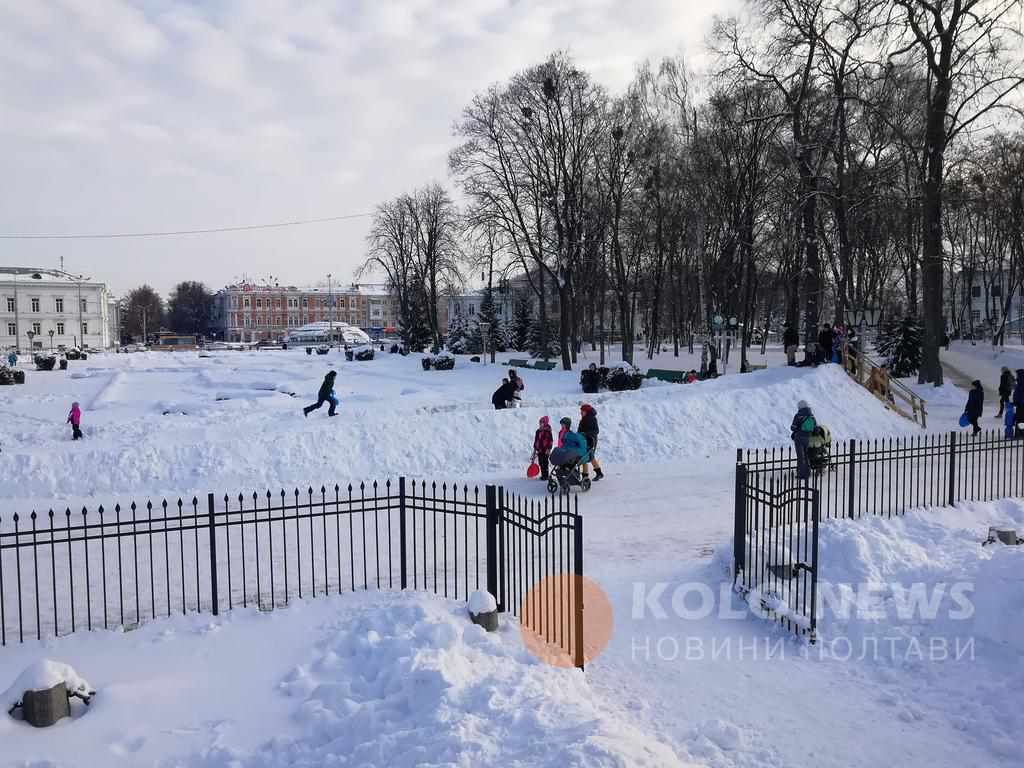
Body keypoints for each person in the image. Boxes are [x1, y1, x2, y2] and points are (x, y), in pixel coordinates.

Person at [790, 400, 816, 480]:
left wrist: (796, 428)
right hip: (808, 437)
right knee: (806, 455)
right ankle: (807, 473)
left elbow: (793, 427)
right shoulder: (811, 416)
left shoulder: (798, 415)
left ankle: (801, 474)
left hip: (799, 438)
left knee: (801, 457)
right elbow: (815, 426)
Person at [578, 403, 604, 481]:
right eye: (581, 411)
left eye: (582, 411)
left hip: (591, 441)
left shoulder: (592, 419)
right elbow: (580, 430)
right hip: (583, 441)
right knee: (584, 456)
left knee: (589, 456)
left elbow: (596, 431)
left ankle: (597, 473)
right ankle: (588, 475)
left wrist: (586, 434)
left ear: (586, 411)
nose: (581, 412)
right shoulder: (584, 418)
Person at [532, 416, 553, 480]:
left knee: (545, 463)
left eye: (542, 422)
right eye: (540, 422)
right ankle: (543, 475)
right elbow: (536, 440)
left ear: (545, 423)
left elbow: (550, 441)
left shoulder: (548, 431)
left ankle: (546, 475)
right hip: (540, 450)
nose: (541, 424)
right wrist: (535, 449)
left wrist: (549, 449)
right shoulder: (538, 431)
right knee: (540, 462)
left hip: (545, 450)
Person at [1013, 369, 1024, 438]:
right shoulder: (1019, 382)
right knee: (1019, 419)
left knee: (1021, 419)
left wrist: (1020, 401)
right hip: (1019, 404)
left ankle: (1021, 434)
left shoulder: (1022, 382)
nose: (1016, 375)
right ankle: (1019, 433)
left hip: (1021, 404)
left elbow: (1021, 394)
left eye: (1017, 374)